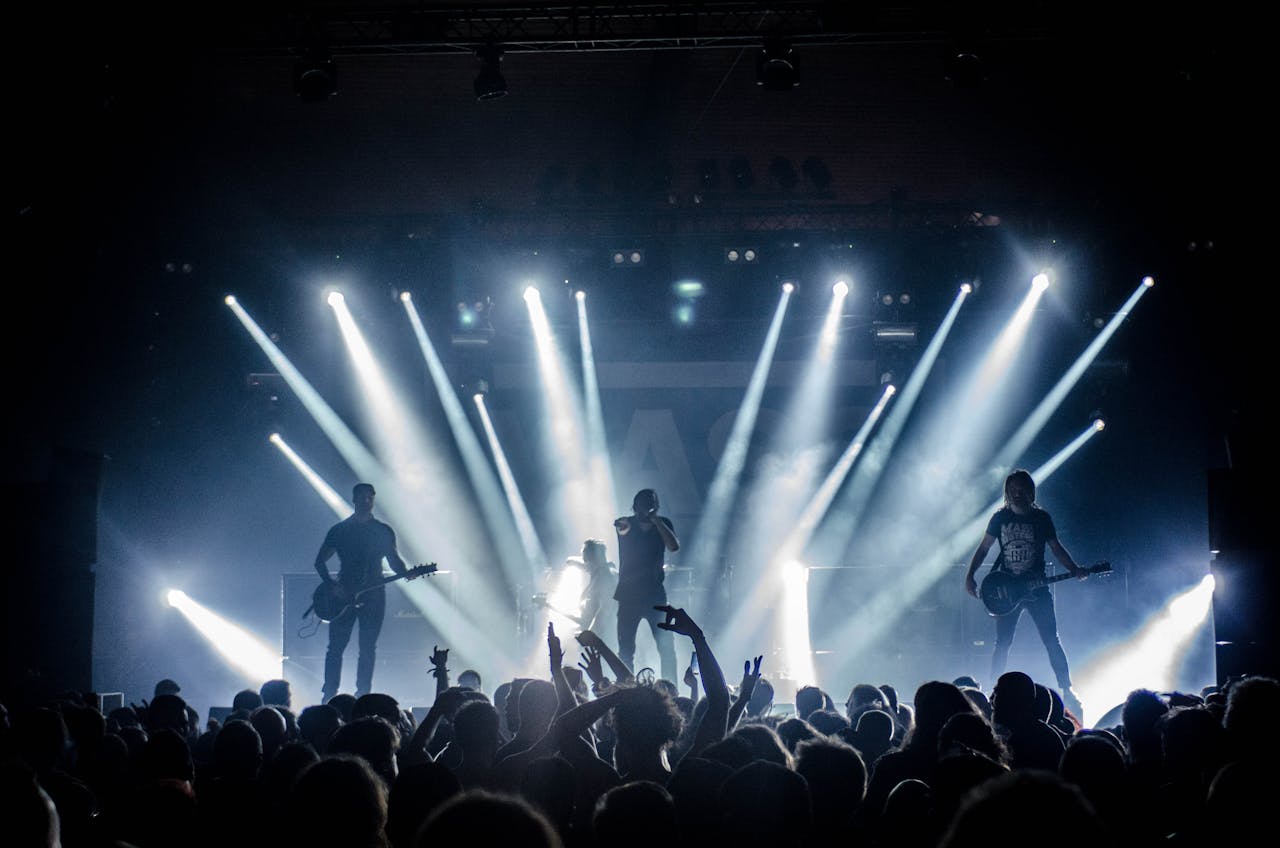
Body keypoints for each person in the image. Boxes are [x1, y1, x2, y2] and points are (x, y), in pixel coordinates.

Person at [964, 469, 1087, 714]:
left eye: (1021, 490)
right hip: (1007, 592)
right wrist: (970, 575)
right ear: (1007, 493)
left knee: (1051, 639)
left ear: (1030, 492)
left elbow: (1056, 548)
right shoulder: (999, 518)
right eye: (1012, 491)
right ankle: (993, 690)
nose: (1017, 495)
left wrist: (1074, 568)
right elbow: (983, 549)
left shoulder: (1041, 518)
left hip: (1037, 589)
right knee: (1003, 643)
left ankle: (1067, 688)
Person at [314, 482, 414, 701]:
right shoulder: (340, 530)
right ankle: (329, 693)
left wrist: (407, 572)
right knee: (336, 646)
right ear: (354, 499)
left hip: (374, 595)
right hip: (343, 595)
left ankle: (363, 695)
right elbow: (319, 561)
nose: (366, 501)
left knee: (367, 647)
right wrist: (332, 586)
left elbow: (395, 561)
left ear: (373, 500)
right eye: (362, 497)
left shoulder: (382, 531)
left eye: (370, 497)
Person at [613, 489, 680, 683]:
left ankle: (670, 688)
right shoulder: (626, 523)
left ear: (656, 506)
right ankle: (626, 689)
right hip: (628, 596)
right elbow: (622, 529)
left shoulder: (663, 524)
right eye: (642, 504)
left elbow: (673, 546)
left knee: (666, 647)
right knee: (626, 649)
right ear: (635, 506)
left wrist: (657, 521)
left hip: (655, 596)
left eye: (650, 504)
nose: (646, 509)